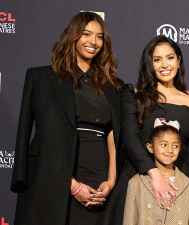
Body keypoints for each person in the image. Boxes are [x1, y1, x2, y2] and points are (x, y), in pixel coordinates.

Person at [10, 12, 122, 225]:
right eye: (86, 34)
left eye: (99, 37)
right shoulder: (41, 79)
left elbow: (113, 135)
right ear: (73, 36)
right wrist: (71, 185)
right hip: (52, 179)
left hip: (98, 184)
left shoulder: (114, 87)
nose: (93, 42)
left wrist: (110, 181)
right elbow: (28, 136)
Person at [102, 35, 189, 225]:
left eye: (170, 58)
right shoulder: (134, 95)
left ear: (179, 61)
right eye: (157, 59)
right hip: (138, 183)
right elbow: (129, 139)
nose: (165, 65)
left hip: (176, 190)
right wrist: (154, 175)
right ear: (150, 65)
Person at [123, 121, 189, 225]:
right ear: (150, 147)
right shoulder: (136, 183)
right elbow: (129, 220)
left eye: (175, 146)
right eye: (163, 145)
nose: (170, 150)